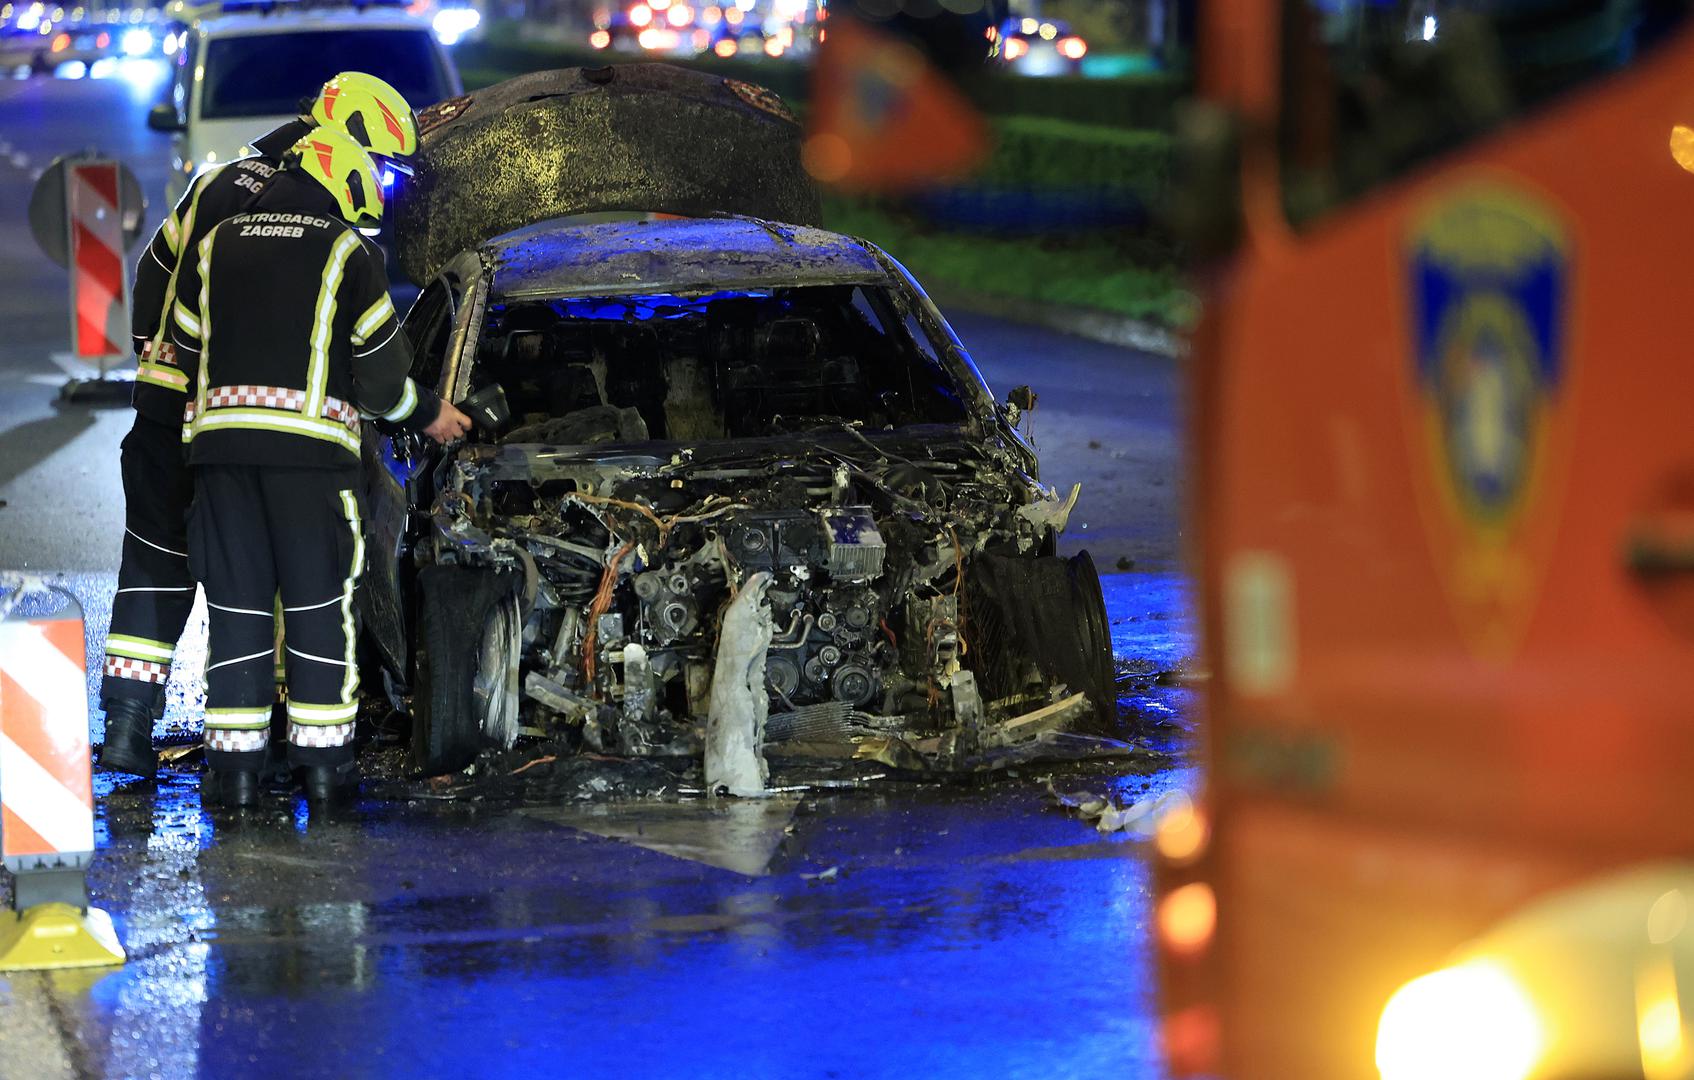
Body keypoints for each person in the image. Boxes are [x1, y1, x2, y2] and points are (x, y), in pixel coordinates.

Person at [100, 72, 422, 778]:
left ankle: (126, 730)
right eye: (382, 166)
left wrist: (153, 353)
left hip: (164, 413)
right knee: (273, 579)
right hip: (239, 426)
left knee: (154, 563)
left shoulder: (216, 185)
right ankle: (277, 735)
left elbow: (155, 269)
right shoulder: (314, 216)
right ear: (348, 139)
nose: (382, 183)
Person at [168, 126, 471, 807]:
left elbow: (183, 344)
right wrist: (431, 413)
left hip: (220, 461)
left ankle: (235, 777)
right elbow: (383, 384)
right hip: (309, 468)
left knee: (238, 611)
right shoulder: (347, 252)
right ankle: (325, 770)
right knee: (316, 610)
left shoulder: (215, 243)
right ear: (344, 185)